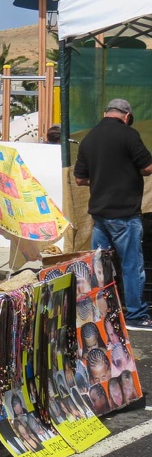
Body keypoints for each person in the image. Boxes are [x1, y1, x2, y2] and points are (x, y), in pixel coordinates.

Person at [74, 98, 152, 330]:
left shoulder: (89, 138)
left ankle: (101, 312)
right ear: (126, 116)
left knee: (100, 268)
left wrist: (102, 177)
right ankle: (136, 314)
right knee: (131, 265)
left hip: (100, 217)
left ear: (106, 112)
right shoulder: (128, 135)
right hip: (125, 215)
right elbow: (147, 167)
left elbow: (80, 179)